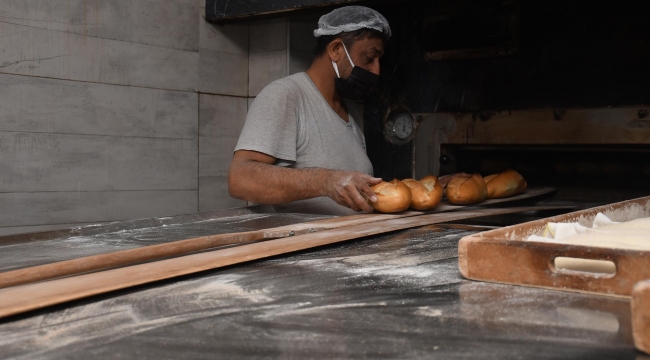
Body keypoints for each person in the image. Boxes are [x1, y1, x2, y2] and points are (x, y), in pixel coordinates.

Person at [228, 6, 464, 215]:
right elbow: (240, 179)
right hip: (307, 255)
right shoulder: (287, 95)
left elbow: (353, 189)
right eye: (369, 58)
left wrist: (425, 189)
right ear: (336, 50)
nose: (376, 70)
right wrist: (325, 181)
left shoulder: (348, 111)